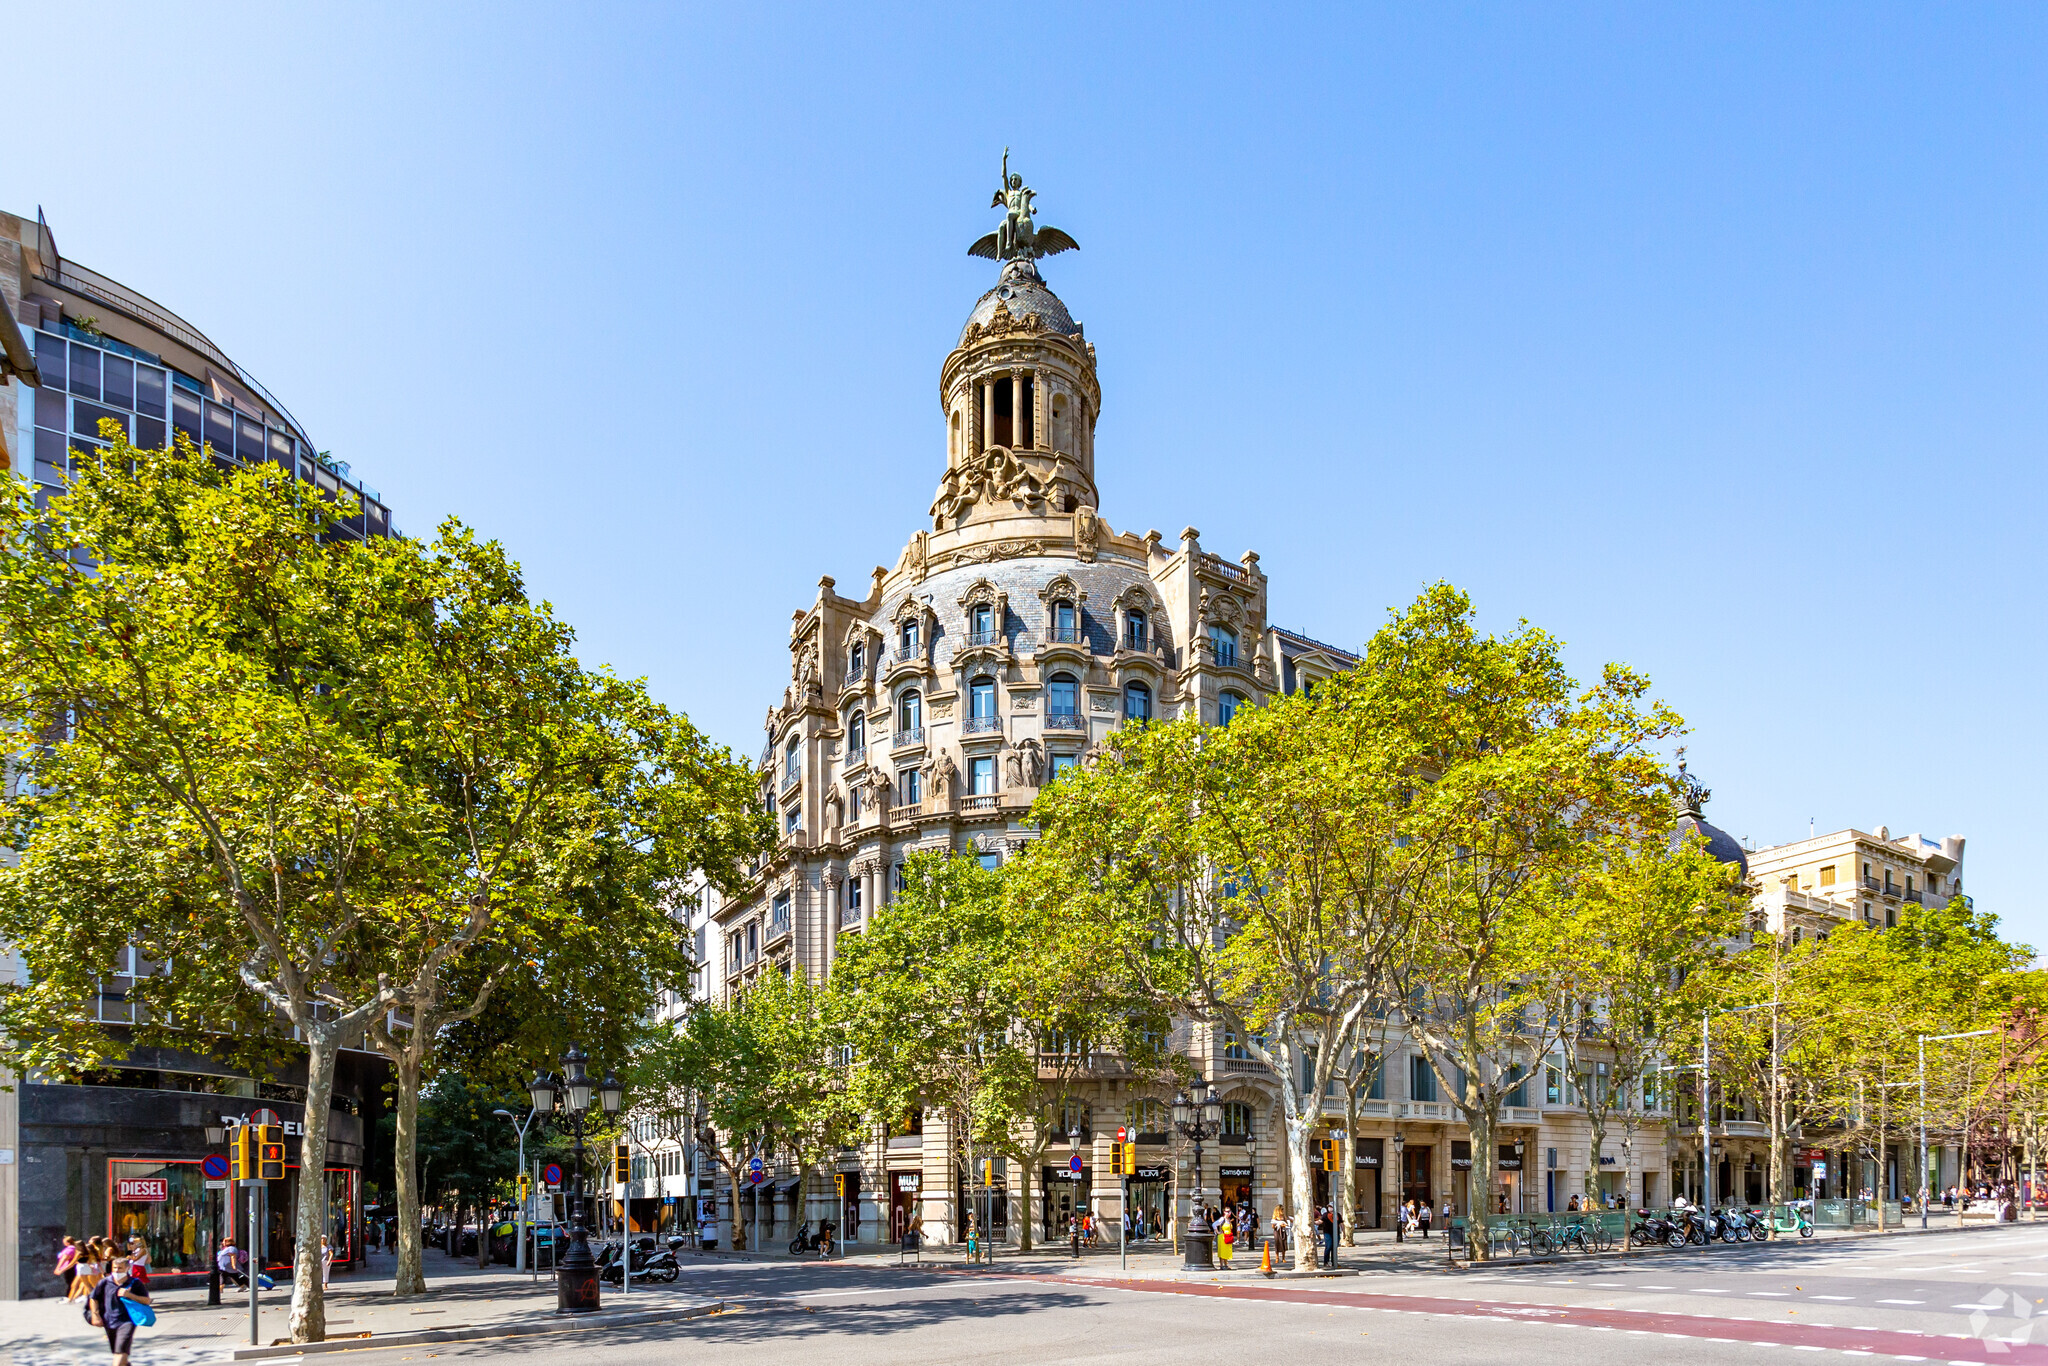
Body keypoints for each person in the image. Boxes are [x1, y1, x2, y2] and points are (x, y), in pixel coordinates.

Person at [87, 1255, 149, 1366]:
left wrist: (129, 1295)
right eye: (114, 1268)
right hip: (109, 1321)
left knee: (120, 1352)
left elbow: (146, 1301)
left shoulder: (135, 1283)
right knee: (119, 1353)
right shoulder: (105, 1282)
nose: (116, 1270)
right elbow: (94, 1298)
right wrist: (95, 1315)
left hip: (127, 1321)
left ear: (127, 1268)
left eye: (120, 1268)